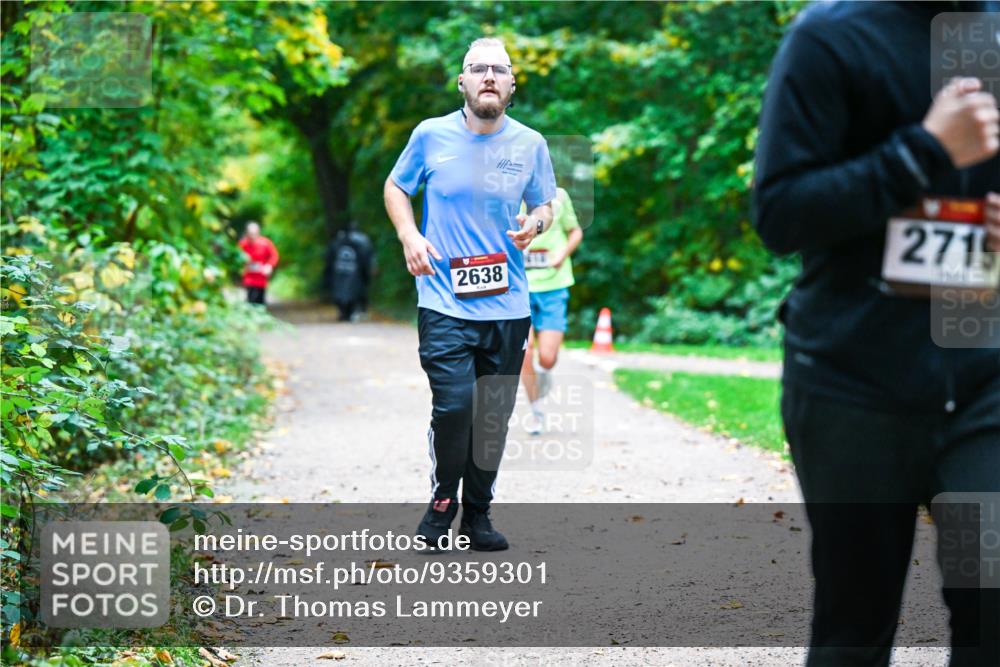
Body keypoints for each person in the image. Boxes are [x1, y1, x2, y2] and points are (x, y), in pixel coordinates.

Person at [752, 3, 999, 666]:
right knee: (855, 626)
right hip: (849, 383)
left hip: (985, 383)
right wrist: (925, 151)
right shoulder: (830, 36)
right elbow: (778, 213)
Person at [383, 37, 556, 551]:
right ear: (461, 81)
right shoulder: (430, 135)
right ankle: (442, 504)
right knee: (456, 407)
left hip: (508, 306)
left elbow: (545, 202)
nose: (487, 76)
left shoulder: (531, 143)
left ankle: (478, 515)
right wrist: (410, 236)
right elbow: (396, 187)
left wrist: (536, 224)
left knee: (492, 416)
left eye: (498, 70)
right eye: (476, 68)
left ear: (511, 85)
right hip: (443, 301)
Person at [519, 186, 583, 434]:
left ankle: (543, 376)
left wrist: (561, 254)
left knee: (547, 357)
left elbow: (575, 231)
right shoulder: (508, 195)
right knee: (525, 352)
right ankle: (536, 411)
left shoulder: (559, 196)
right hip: (520, 287)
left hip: (554, 285)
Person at [325, 223, 374, 322]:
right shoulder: (361, 241)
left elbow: (329, 259)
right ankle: (349, 312)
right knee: (354, 292)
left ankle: (346, 313)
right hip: (353, 273)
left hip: (342, 273)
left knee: (343, 292)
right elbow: (366, 257)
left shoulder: (338, 243)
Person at [238, 221, 279, 305]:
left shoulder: (265, 243)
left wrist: (269, 265)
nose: (252, 236)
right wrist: (242, 265)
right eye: (250, 233)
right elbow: (236, 257)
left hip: (261, 277)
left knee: (260, 301)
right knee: (250, 300)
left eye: (254, 233)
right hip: (249, 277)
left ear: (258, 232)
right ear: (247, 233)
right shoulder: (242, 244)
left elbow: (274, 255)